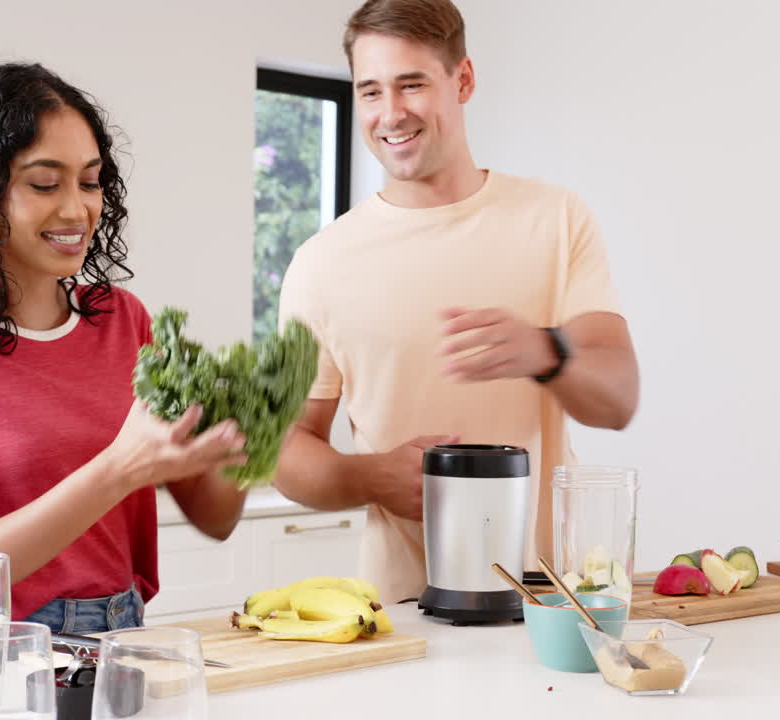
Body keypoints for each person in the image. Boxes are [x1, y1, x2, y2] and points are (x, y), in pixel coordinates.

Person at [274, 0, 641, 604]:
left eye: (411, 84)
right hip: (401, 608)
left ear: (462, 80)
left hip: (549, 598)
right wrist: (370, 476)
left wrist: (548, 352)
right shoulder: (321, 262)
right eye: (370, 91)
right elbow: (286, 447)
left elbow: (619, 396)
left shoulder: (555, 218)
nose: (390, 114)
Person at [0, 62, 249, 633]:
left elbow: (215, 517)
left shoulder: (124, 320)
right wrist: (119, 469)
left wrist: (244, 430)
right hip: (6, 647)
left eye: (90, 181)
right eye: (45, 183)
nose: (77, 210)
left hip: (124, 631)